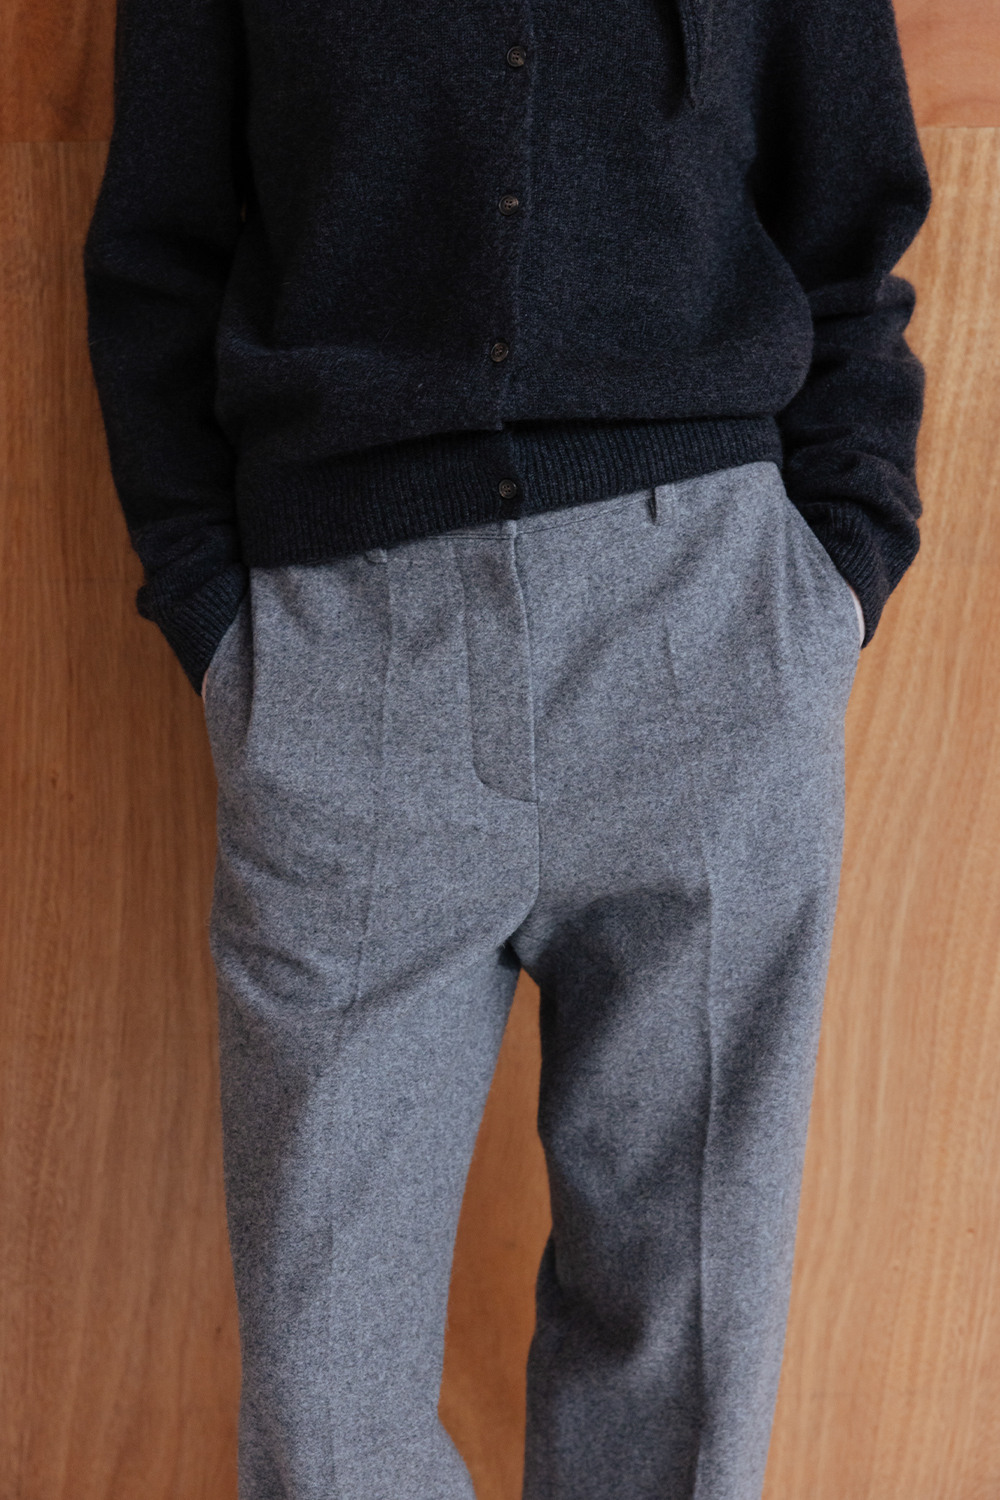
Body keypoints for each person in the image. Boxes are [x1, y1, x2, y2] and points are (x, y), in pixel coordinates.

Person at [82, 1, 931, 1496]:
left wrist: (835, 575)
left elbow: (850, 224)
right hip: (349, 658)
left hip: (706, 632)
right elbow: (156, 253)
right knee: (322, 1408)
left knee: (679, 1365)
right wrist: (222, 625)